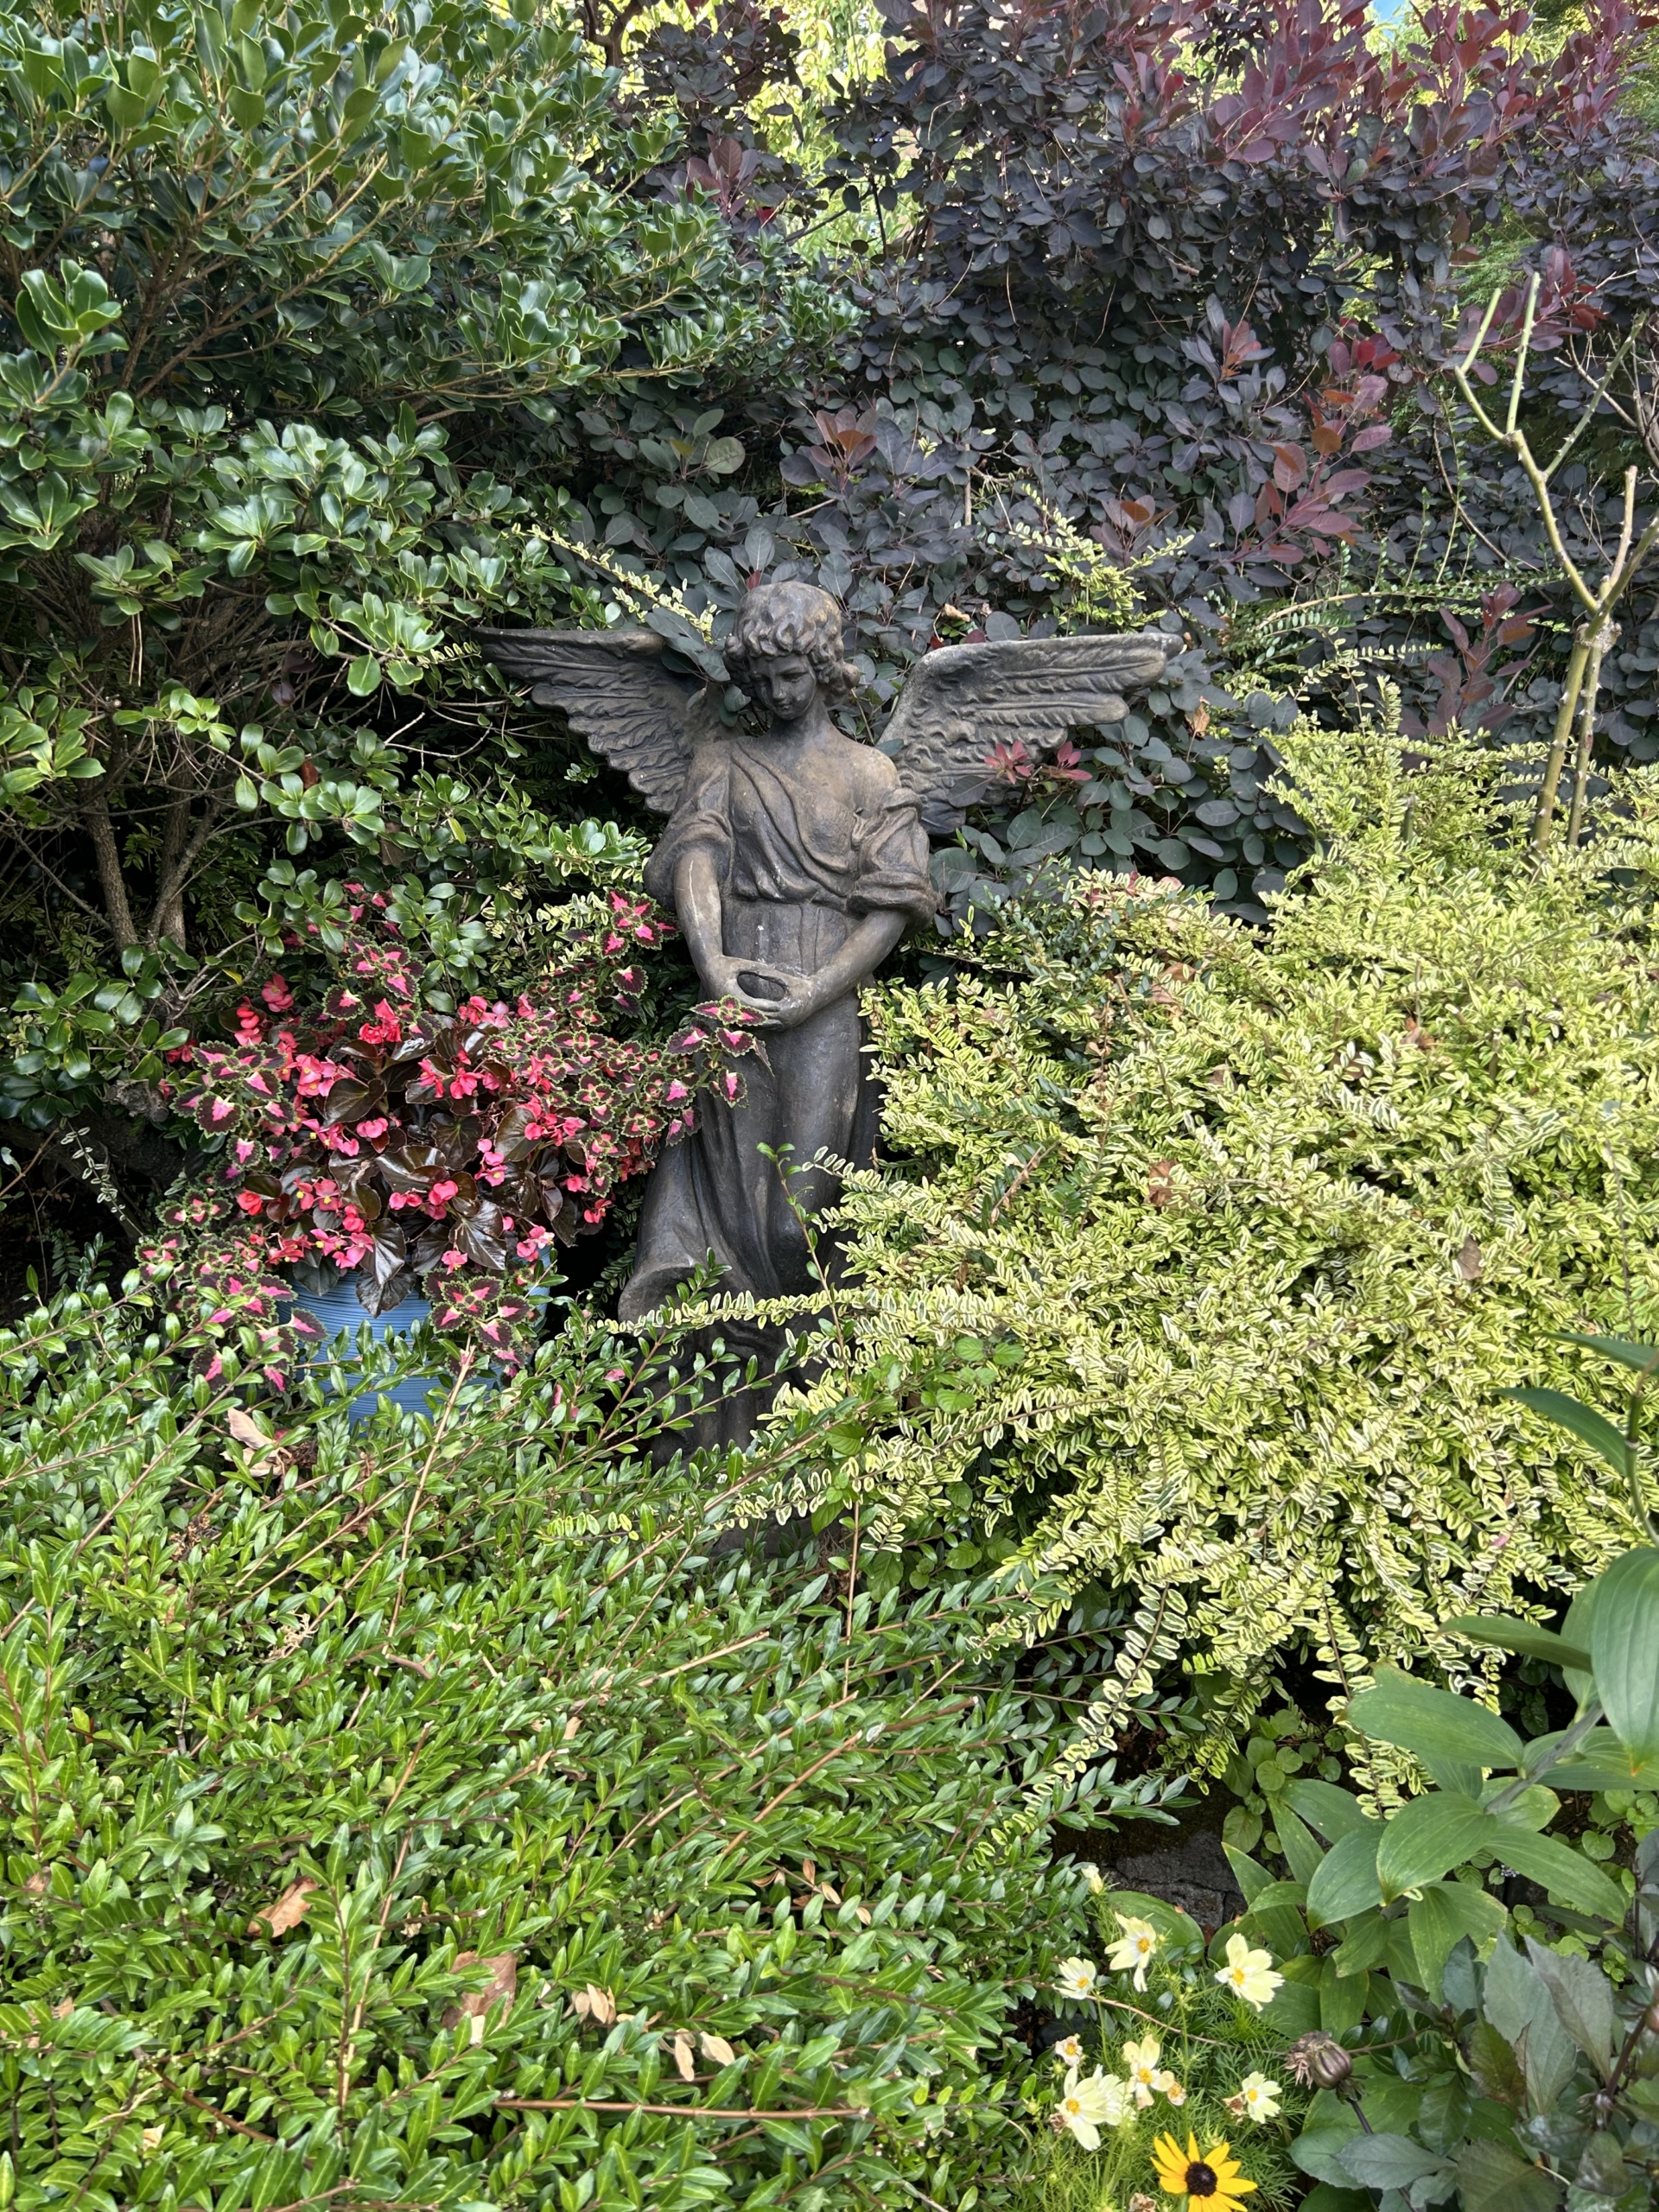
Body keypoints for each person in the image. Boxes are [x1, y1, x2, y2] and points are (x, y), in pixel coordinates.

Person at [617, 582, 936, 1438]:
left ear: (824, 669)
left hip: (823, 1006)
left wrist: (817, 989)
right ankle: (713, 1432)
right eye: (763, 677)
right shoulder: (724, 760)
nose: (777, 693)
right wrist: (713, 963)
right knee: (720, 1215)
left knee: (804, 1220)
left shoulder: (870, 773)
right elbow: (696, 857)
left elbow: (892, 907)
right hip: (736, 998)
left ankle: (805, 1428)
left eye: (792, 674)